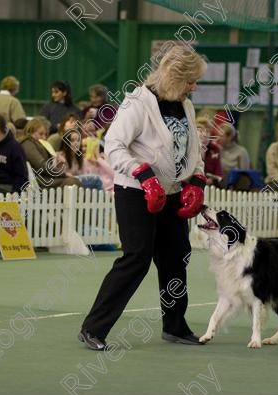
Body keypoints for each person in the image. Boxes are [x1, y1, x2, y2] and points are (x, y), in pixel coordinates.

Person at [78, 46, 207, 351]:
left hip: (172, 191)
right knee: (137, 258)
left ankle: (175, 325)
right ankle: (93, 328)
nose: (195, 87)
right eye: (190, 81)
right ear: (174, 77)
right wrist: (144, 175)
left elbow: (192, 149)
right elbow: (114, 145)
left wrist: (197, 180)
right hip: (136, 191)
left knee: (177, 257)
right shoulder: (138, 101)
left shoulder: (185, 104)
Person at [18, 117, 81, 189]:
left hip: (47, 178)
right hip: (41, 181)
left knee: (76, 181)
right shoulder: (27, 143)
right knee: (73, 182)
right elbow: (41, 165)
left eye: (46, 134)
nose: (44, 137)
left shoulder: (39, 144)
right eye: (41, 134)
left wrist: (57, 162)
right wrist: (63, 173)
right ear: (30, 131)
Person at [195, 116, 222, 186]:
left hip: (211, 188)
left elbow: (218, 174)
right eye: (201, 131)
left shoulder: (215, 149)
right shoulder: (188, 149)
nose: (205, 135)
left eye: (207, 131)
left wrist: (212, 180)